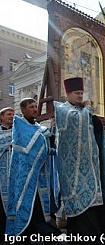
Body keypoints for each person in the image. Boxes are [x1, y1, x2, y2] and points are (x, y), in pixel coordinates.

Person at [54, 77, 103, 237]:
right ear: (68, 93)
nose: (80, 96)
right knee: (81, 217)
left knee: (91, 213)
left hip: (89, 170)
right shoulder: (62, 109)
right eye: (77, 93)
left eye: (82, 93)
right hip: (73, 173)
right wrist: (88, 108)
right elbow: (77, 120)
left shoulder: (81, 111)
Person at [6, 98, 61, 238]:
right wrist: (45, 134)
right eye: (31, 107)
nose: (35, 109)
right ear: (23, 110)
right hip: (24, 175)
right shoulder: (19, 126)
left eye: (36, 106)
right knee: (27, 203)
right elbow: (28, 147)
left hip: (39, 175)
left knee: (39, 206)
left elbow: (45, 149)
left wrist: (55, 141)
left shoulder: (39, 128)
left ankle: (40, 232)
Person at [0, 107, 14, 240]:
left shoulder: (18, 131)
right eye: (9, 114)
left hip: (15, 175)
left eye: (13, 114)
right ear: (1, 117)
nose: (12, 116)